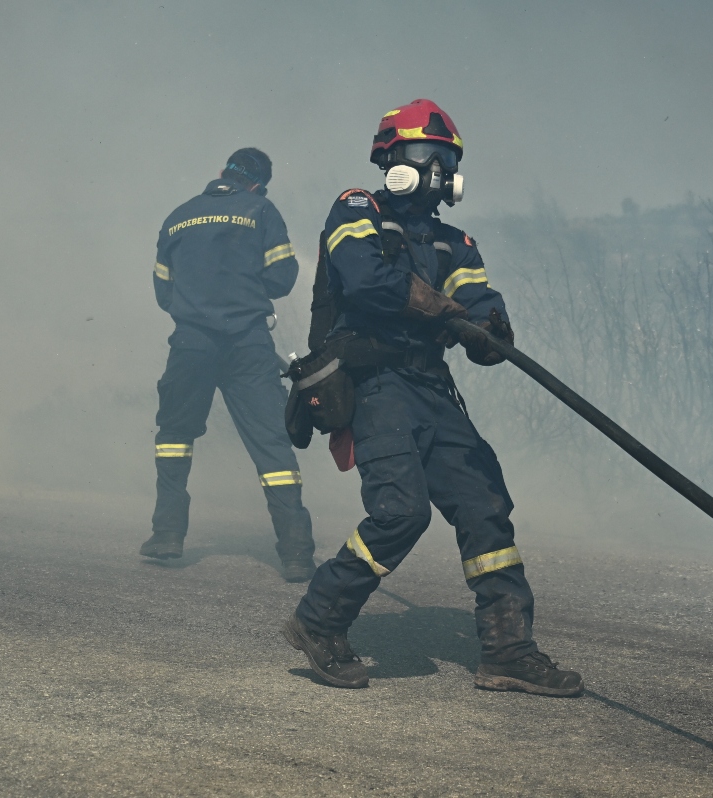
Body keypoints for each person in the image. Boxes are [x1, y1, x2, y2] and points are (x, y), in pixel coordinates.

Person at [282, 100, 583, 695]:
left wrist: (492, 331)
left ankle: (507, 652)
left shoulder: (454, 241)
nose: (440, 171)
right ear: (394, 159)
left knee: (485, 507)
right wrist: (441, 307)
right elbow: (367, 281)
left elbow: (477, 302)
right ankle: (318, 621)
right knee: (401, 514)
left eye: (447, 160)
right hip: (375, 382)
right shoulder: (355, 208)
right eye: (431, 156)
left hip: (431, 386)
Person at [141, 148, 316, 582]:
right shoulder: (261, 209)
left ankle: (166, 534)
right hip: (247, 345)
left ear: (223, 174)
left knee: (175, 436)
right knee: (273, 445)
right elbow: (282, 277)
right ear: (257, 183)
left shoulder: (178, 216)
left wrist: (200, 304)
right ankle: (295, 553)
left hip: (191, 345)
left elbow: (164, 293)